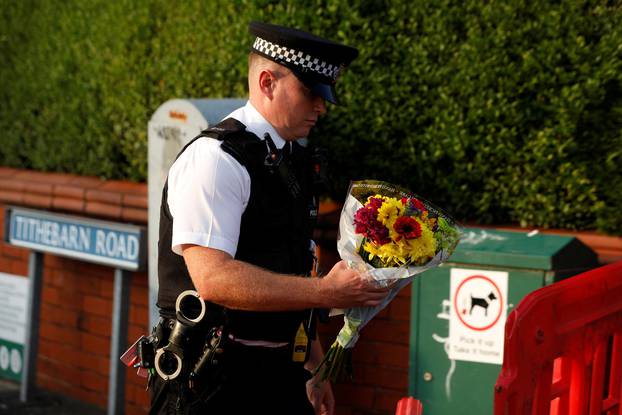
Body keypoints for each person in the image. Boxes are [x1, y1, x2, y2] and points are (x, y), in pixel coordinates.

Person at [150, 21, 388, 415]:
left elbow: (293, 263)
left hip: (278, 372)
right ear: (267, 82)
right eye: (311, 92)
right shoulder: (216, 160)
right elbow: (214, 279)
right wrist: (330, 293)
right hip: (211, 380)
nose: (322, 106)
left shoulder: (290, 158)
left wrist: (314, 363)